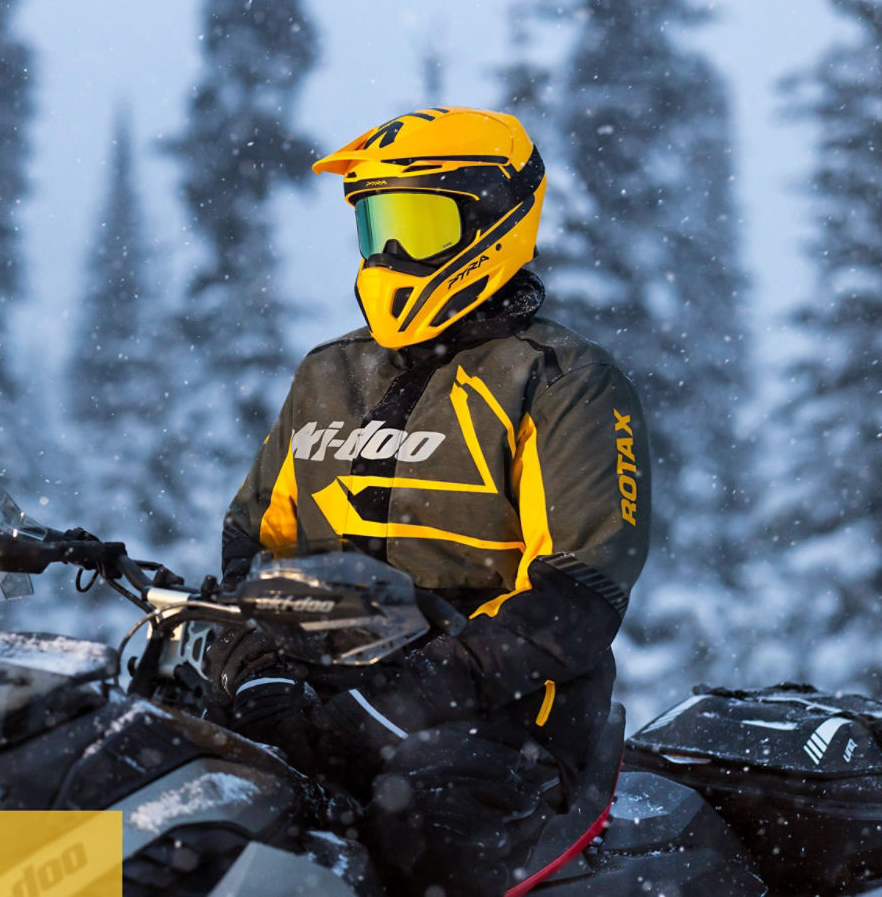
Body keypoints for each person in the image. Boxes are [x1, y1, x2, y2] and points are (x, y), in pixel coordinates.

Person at [210, 107, 650, 895]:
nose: (390, 253)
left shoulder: (559, 380)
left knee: (416, 826)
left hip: (505, 723)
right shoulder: (326, 376)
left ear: (493, 222)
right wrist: (254, 660)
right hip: (326, 695)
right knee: (154, 774)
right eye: (376, 225)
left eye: (416, 224)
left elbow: (577, 593)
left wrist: (407, 698)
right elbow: (253, 542)